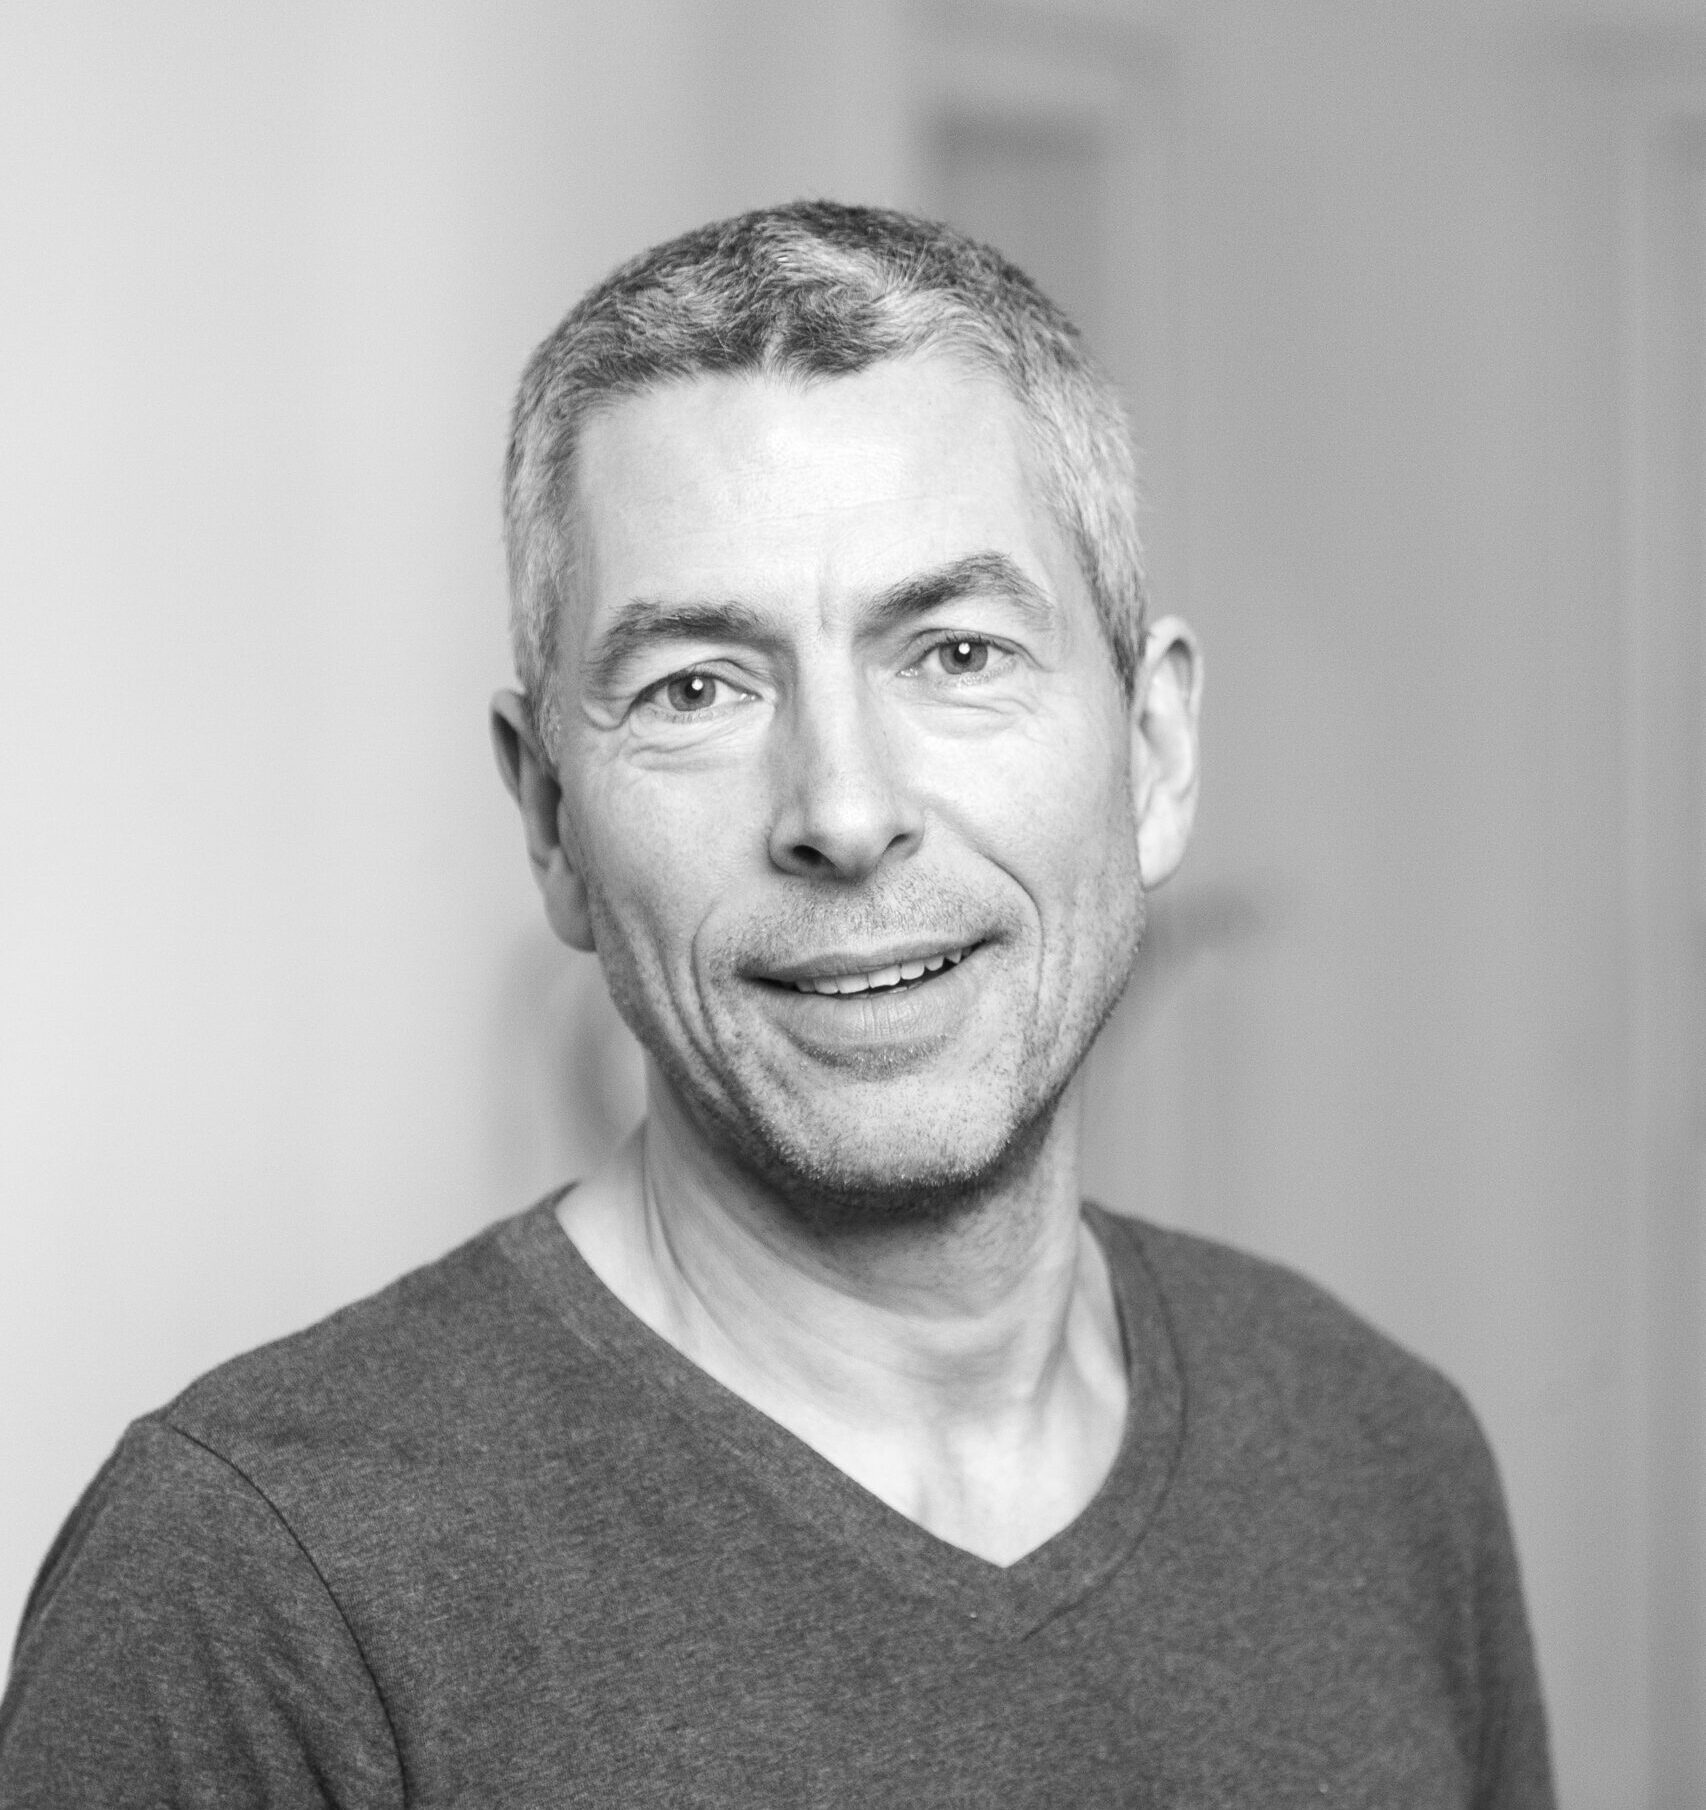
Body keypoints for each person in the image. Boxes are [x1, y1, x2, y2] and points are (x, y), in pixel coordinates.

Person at [0, 201, 1554, 1807]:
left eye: (955, 652)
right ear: (550, 818)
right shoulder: (254, 1586)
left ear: (1153, 750)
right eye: (695, 687)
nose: (843, 808)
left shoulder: (1379, 1458)